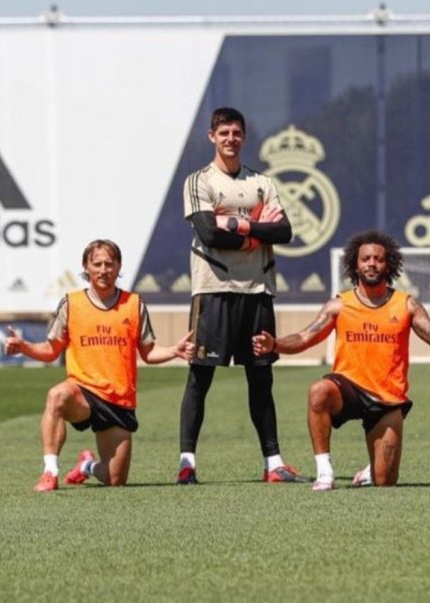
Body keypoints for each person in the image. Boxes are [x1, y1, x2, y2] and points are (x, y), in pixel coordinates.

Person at [251, 230, 430, 491]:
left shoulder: (406, 304)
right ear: (355, 264)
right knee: (319, 391)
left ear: (389, 265)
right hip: (348, 388)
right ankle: (325, 472)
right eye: (365, 259)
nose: (372, 263)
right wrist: (275, 344)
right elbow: (306, 336)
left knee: (385, 482)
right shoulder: (340, 304)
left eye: (378, 259)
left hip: (386, 399)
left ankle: (369, 472)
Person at [177, 106, 305, 485]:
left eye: (236, 133)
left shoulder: (262, 183)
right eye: (223, 133)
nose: (230, 139)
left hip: (257, 289)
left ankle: (273, 463)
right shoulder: (198, 181)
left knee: (260, 377)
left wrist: (235, 223)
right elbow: (209, 234)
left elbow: (284, 232)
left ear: (243, 137)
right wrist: (255, 228)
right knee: (200, 377)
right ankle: (187, 462)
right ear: (211, 137)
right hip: (214, 289)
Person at [4, 239, 194, 492]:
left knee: (115, 480)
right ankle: (50, 472)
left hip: (119, 400)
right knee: (57, 396)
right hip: (82, 392)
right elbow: (52, 350)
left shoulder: (134, 304)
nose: (103, 270)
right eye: (97, 264)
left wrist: (173, 351)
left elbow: (147, 353)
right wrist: (25, 347)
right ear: (86, 267)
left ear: (118, 267)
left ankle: (86, 467)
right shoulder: (71, 304)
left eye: (109, 264)